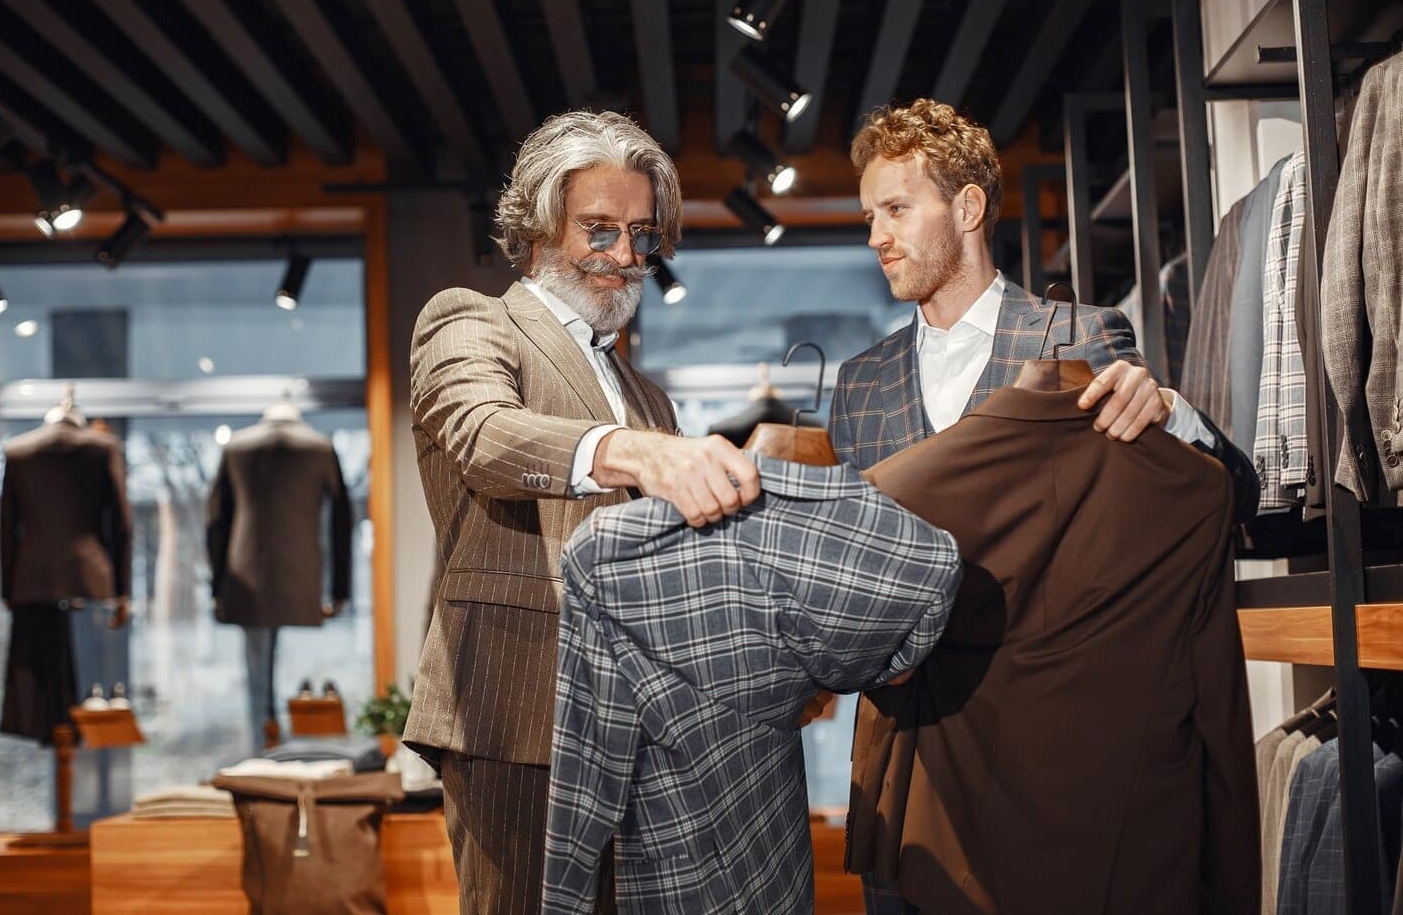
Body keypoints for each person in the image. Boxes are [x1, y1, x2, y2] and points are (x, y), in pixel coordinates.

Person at [825, 98, 1259, 913]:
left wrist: (1174, 415)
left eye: (895, 209)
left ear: (967, 208)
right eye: (868, 216)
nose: (875, 235)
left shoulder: (1082, 340)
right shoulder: (860, 384)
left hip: (1053, 769)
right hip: (912, 762)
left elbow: (1228, 501)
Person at [401, 109, 760, 915]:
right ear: (537, 225)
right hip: (517, 710)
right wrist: (634, 453)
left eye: (641, 235)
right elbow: (484, 436)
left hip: (647, 727)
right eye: (599, 229)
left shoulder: (648, 396)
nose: (625, 256)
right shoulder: (470, 321)